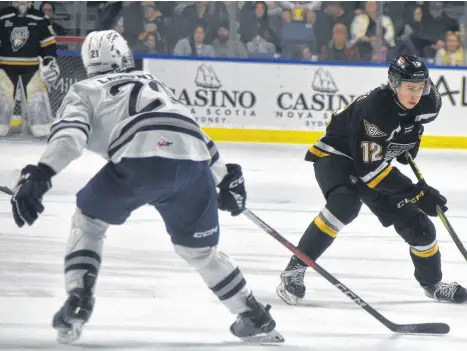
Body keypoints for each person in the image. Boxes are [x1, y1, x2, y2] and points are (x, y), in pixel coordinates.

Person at [9, 30, 283, 345]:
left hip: (139, 160)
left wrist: (43, 171)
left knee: (89, 221)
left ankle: (80, 298)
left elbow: (71, 136)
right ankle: (252, 314)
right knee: (200, 251)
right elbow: (191, 131)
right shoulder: (154, 83)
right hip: (194, 165)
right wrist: (225, 179)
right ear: (125, 57)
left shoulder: (83, 89)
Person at [277, 55, 467, 306]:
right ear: (393, 83)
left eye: (420, 87)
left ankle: (432, 284)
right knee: (344, 205)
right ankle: (294, 270)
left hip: (372, 158)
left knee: (419, 228)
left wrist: (408, 143)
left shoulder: (429, 99)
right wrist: (415, 192)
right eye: (410, 88)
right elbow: (370, 173)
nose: (416, 95)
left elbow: (414, 125)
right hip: (339, 155)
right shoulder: (375, 110)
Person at [0, 1, 60, 137]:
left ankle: (42, 130)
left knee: (36, 98)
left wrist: (49, 59)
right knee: (3, 98)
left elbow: (48, 43)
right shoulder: (3, 15)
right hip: (5, 67)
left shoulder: (40, 17)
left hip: (32, 67)